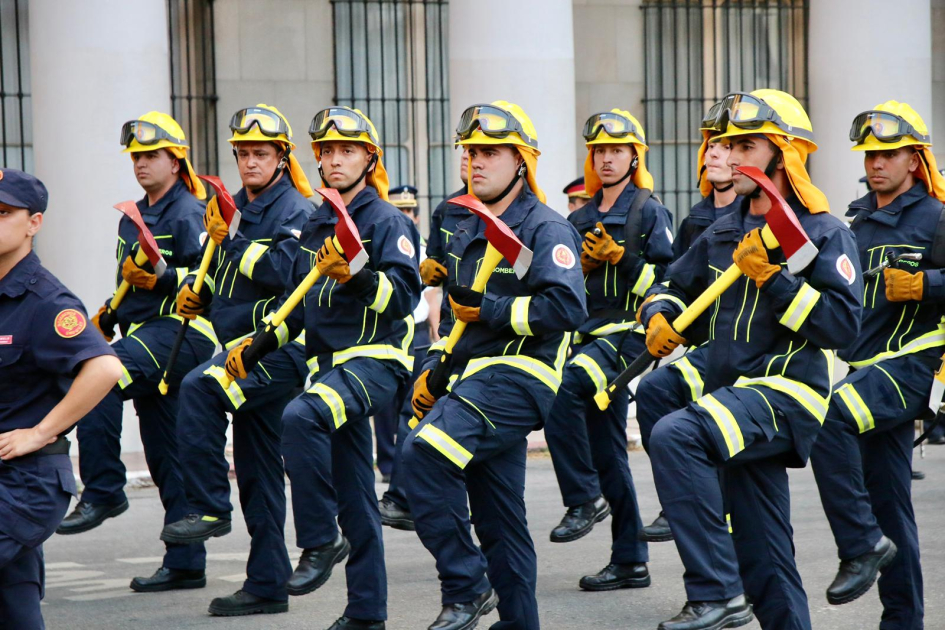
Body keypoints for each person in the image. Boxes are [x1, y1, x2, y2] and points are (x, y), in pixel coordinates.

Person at [639, 89, 862, 630]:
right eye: (727, 143)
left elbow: (841, 329)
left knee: (676, 434)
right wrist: (661, 317)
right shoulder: (723, 228)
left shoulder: (822, 231)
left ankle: (716, 593)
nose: (731, 154)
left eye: (747, 144)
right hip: (733, 398)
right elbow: (672, 284)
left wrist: (776, 279)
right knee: (767, 556)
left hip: (787, 394)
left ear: (783, 153)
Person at [226, 106, 421, 629]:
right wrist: (258, 347)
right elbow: (303, 307)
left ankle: (317, 539)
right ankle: (366, 615)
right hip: (331, 367)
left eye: (347, 151)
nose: (335, 160)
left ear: (368, 158)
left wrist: (356, 272)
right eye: (327, 151)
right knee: (358, 500)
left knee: (299, 416)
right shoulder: (318, 221)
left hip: (377, 362)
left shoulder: (388, 220)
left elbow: (402, 300)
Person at [401, 100, 586, 630]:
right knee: (501, 519)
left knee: (423, 456)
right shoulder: (463, 223)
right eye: (471, 152)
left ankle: (466, 586)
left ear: (521, 160)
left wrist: (495, 309)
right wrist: (434, 369)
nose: (476, 162)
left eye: (491, 152)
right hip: (471, 375)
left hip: (522, 375)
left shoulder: (546, 227)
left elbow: (567, 309)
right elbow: (460, 319)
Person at [159, 104, 319, 616]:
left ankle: (206, 507)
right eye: (243, 153)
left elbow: (283, 275)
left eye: (261, 154)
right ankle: (268, 584)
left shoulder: (295, 208)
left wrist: (233, 239)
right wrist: (195, 296)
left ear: (281, 158)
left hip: (277, 350)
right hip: (242, 347)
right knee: (258, 473)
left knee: (200, 388)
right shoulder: (234, 208)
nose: (250, 162)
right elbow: (228, 283)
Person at [59, 112, 219, 591]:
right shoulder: (135, 217)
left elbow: (212, 281)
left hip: (185, 332)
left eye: (151, 155)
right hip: (145, 334)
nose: (141, 164)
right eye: (136, 157)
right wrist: (108, 314)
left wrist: (166, 278)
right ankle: (186, 562)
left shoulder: (189, 212)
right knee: (167, 453)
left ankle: (105, 490)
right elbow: (130, 282)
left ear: (176, 160)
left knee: (99, 377)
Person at [810, 101, 945, 630]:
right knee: (893, 510)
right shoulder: (858, 220)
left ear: (914, 159)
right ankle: (903, 620)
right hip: (866, 368)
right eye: (869, 154)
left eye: (888, 154)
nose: (876, 164)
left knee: (829, 416)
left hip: (910, 367)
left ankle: (860, 542)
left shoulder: (936, 216)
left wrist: (927, 284)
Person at [542, 109, 674, 592]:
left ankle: (582, 497)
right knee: (610, 453)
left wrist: (623, 259)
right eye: (599, 151)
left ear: (634, 155)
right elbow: (567, 286)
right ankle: (630, 560)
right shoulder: (577, 218)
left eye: (617, 150)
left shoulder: (649, 211)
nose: (607, 159)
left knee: (563, 387)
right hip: (585, 335)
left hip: (626, 336)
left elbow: (667, 285)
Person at [0, 168, 123, 629]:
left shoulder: (46, 300)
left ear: (34, 223)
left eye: (4, 213)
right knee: (15, 608)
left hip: (24, 484)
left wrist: (39, 432)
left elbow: (105, 367)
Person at [638, 103, 742, 544]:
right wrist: (658, 313)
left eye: (725, 146)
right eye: (711, 146)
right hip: (705, 349)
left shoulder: (771, 217)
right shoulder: (696, 220)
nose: (713, 154)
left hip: (751, 354)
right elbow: (673, 280)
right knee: (653, 392)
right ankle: (680, 496)